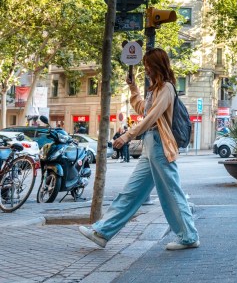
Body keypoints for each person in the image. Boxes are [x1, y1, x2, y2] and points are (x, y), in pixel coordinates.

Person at [79, 48, 199, 250]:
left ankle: (188, 236)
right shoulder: (156, 89)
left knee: (171, 191)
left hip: (160, 144)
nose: (146, 70)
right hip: (151, 145)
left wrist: (127, 135)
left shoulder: (167, 88)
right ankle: (102, 232)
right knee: (131, 192)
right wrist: (133, 89)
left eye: (148, 66)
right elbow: (144, 108)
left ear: (157, 65)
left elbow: (151, 117)